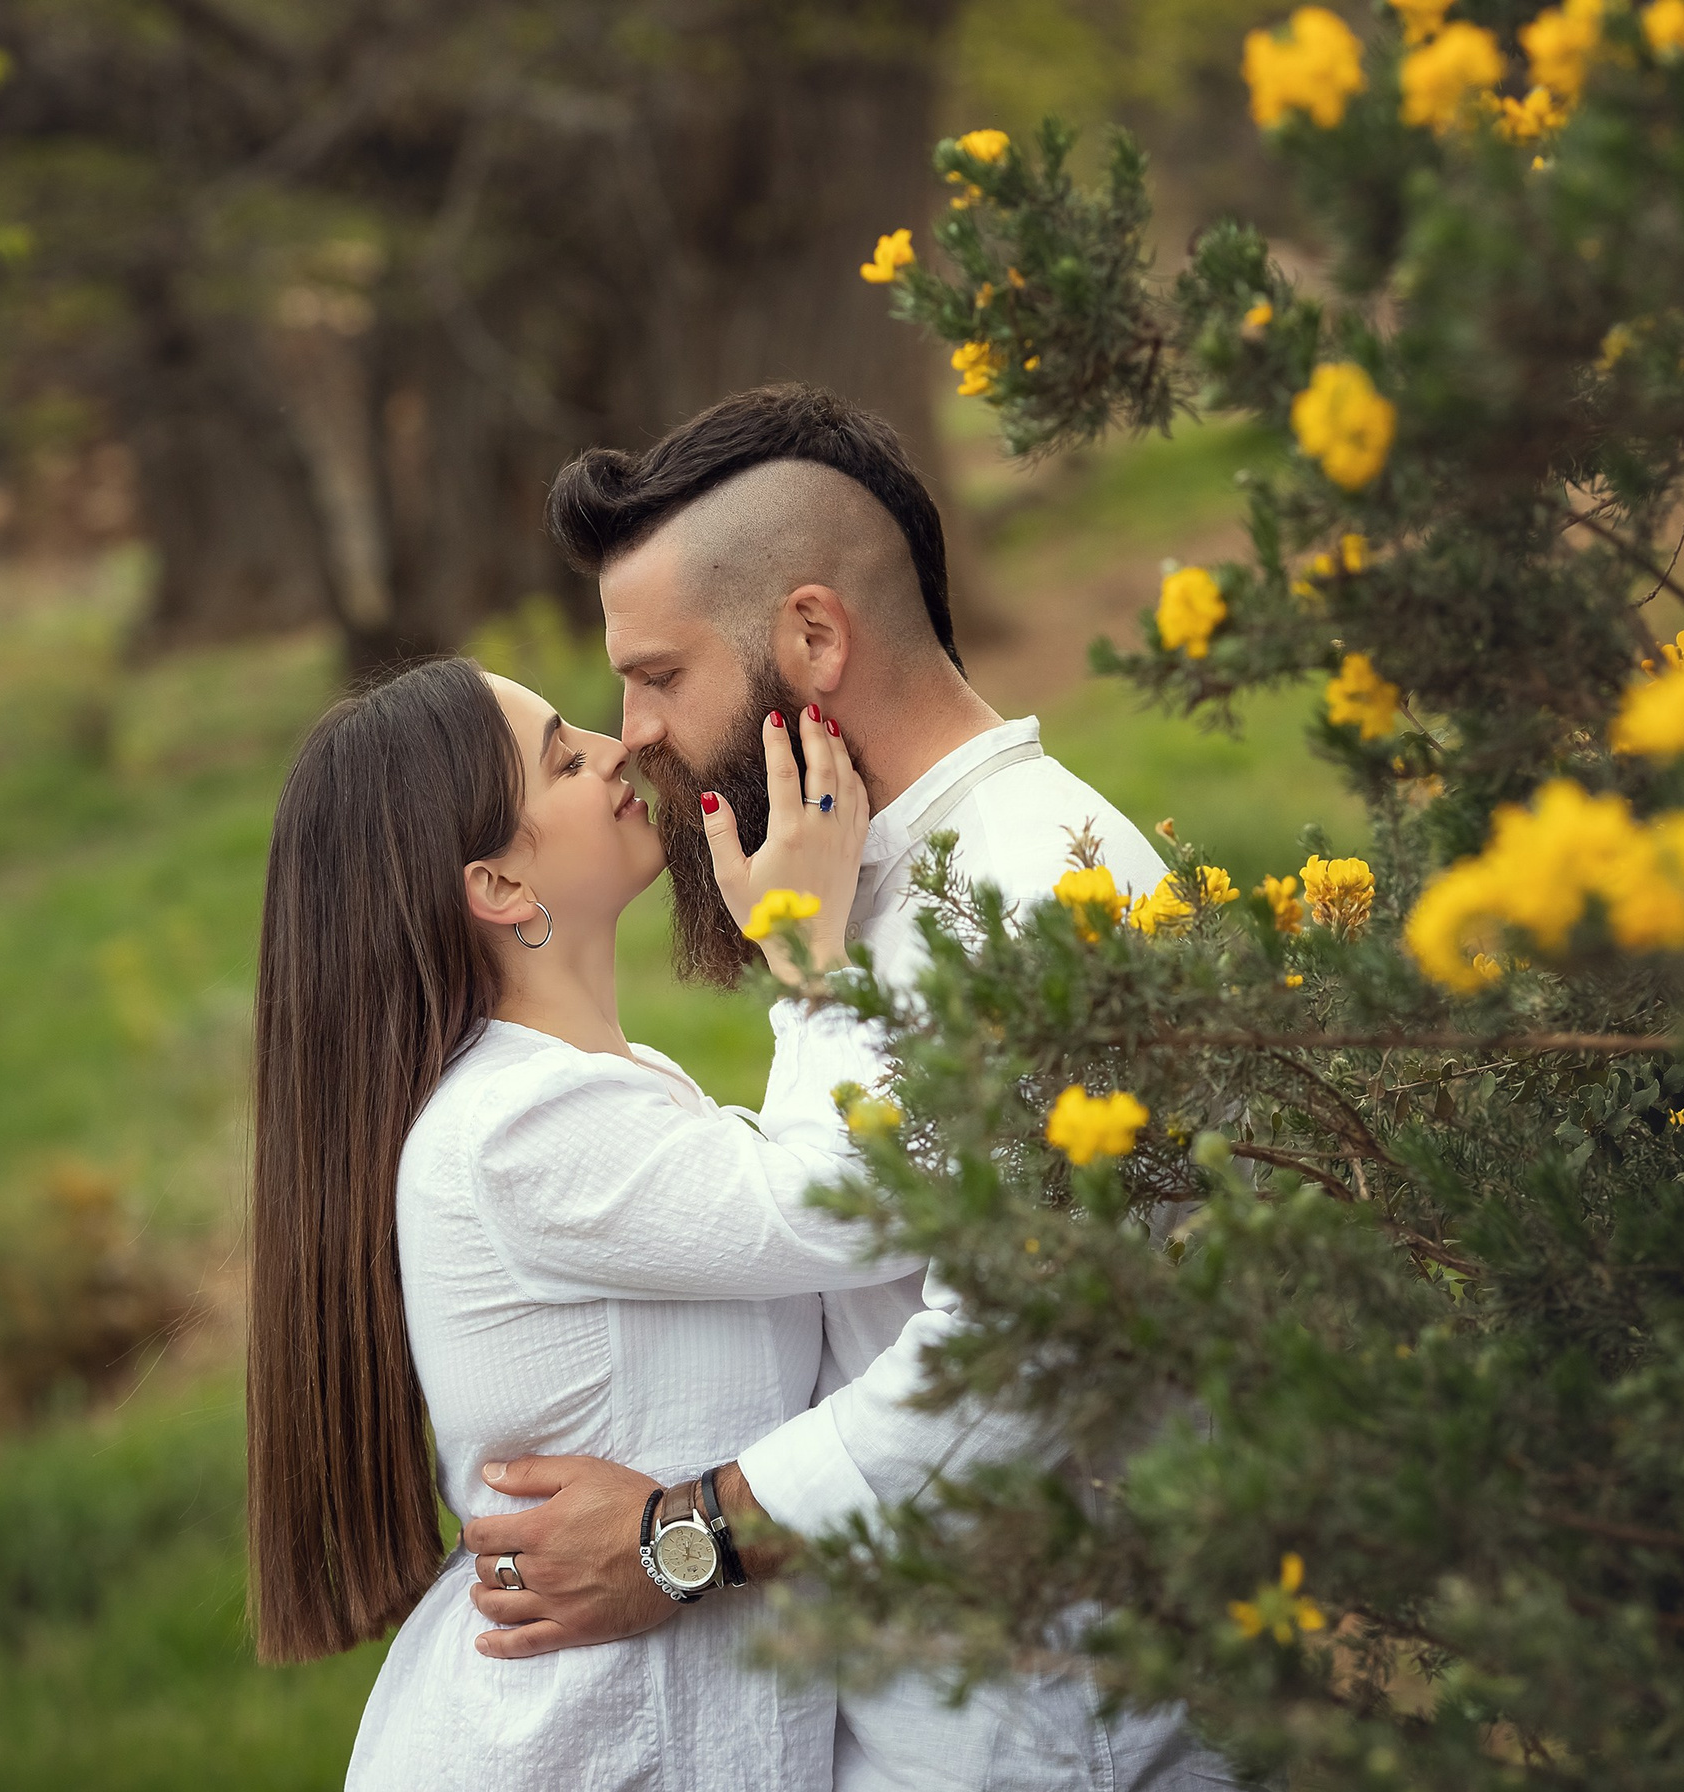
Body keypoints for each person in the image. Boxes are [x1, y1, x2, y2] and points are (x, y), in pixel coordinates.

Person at [458, 385, 1237, 1791]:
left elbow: (1018, 1358)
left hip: (1060, 1735)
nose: (632, 732)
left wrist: (680, 1542)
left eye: (659, 675)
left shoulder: (1034, 894)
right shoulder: (858, 877)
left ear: (812, 637)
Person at [249, 654, 910, 1787]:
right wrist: (808, 960)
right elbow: (857, 1202)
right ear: (499, 888)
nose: (614, 750)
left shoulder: (606, 1085)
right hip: (571, 1750)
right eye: (562, 757)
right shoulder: (523, 1125)